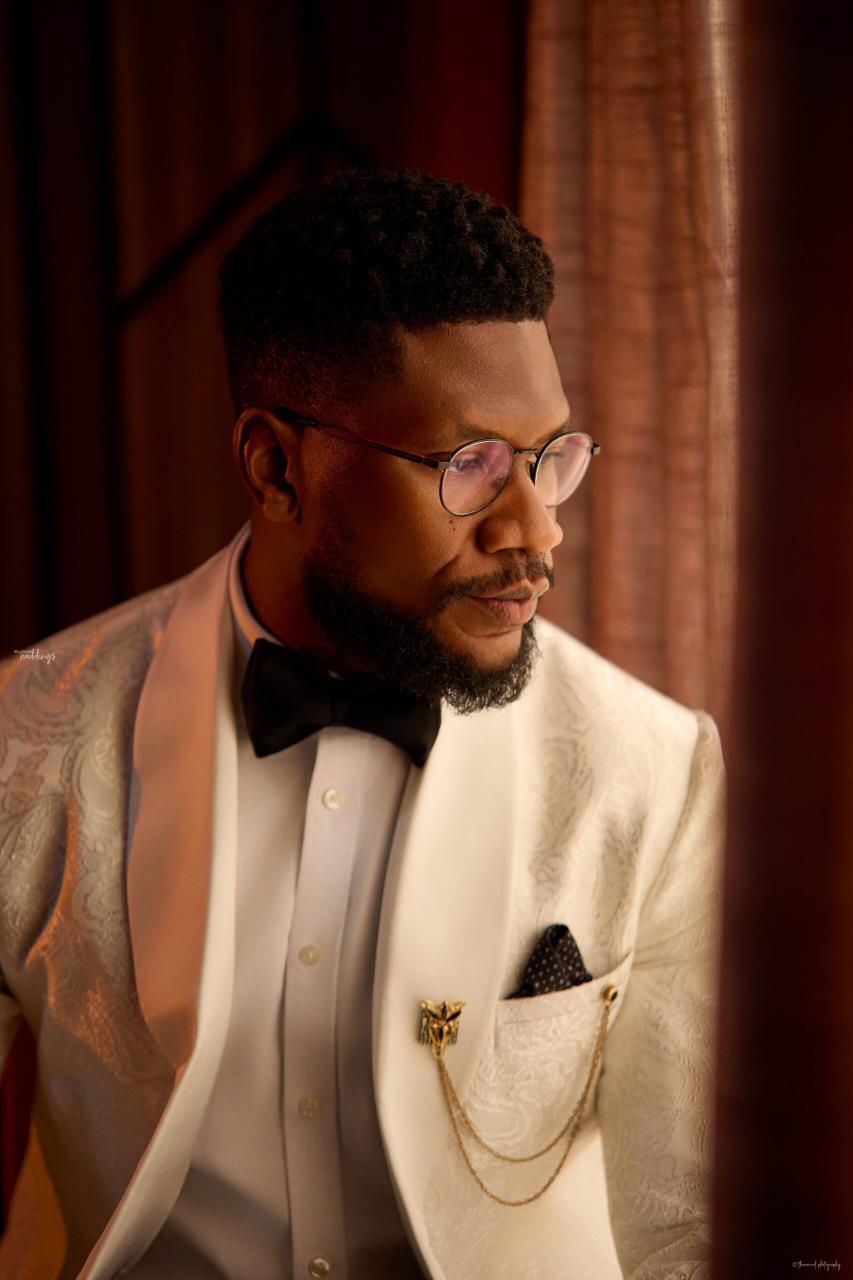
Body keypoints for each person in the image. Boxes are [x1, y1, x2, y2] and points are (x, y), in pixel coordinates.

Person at [0, 168, 724, 1280]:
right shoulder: (24, 739)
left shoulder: (655, 771)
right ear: (275, 466)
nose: (535, 529)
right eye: (470, 465)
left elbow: (690, 1231)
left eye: (548, 460)